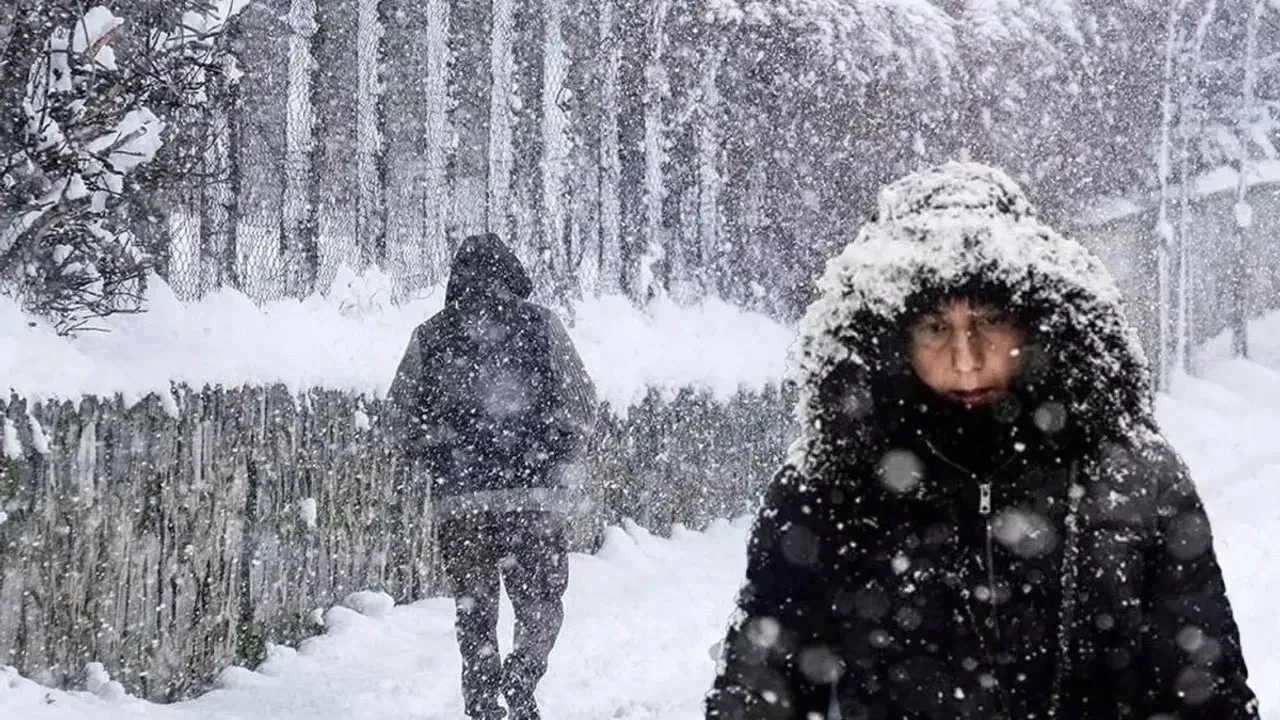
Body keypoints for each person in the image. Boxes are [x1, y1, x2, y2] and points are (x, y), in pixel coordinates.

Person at [705, 163, 1260, 720]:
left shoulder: (1134, 478)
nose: (966, 360)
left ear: (1037, 321)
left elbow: (1208, 695)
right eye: (934, 327)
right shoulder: (829, 493)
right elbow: (758, 697)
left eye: (989, 320)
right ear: (891, 337)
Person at [389, 233, 597, 720]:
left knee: (475, 611)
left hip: (459, 502)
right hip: (532, 498)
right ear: (513, 273)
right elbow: (582, 405)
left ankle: (483, 704)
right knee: (541, 602)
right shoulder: (541, 326)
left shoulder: (431, 335)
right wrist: (553, 446)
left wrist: (439, 448)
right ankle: (522, 678)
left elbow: (399, 420)